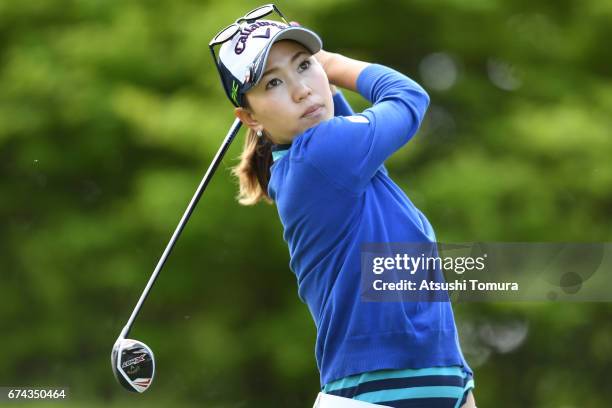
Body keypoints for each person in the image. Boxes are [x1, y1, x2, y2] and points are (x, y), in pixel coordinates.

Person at [210, 5, 476, 408]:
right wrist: (329, 63)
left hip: (431, 375)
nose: (301, 90)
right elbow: (409, 97)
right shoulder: (322, 155)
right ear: (248, 117)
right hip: (381, 388)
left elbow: (333, 111)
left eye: (303, 67)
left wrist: (460, 385)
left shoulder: (324, 158)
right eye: (273, 83)